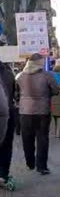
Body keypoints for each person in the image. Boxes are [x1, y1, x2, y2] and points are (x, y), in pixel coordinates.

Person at [16, 53, 60, 175]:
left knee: (27, 138)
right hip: (42, 111)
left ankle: (30, 163)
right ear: (39, 62)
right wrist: (48, 94)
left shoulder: (19, 76)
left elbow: (16, 93)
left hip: (25, 112)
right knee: (42, 139)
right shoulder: (47, 76)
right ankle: (42, 166)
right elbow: (56, 90)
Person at [0, 61, 16, 189]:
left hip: (6, 112)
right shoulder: (9, 73)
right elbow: (13, 94)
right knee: (6, 146)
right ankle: (3, 175)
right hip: (7, 114)